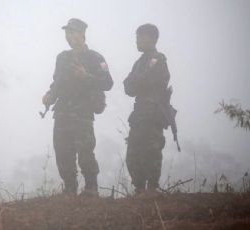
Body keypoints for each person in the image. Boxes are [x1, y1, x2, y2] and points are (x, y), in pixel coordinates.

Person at [42, 18, 113, 196]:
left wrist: (86, 76)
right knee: (62, 152)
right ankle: (70, 189)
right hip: (62, 112)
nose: (68, 36)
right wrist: (50, 95)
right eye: (67, 33)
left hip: (83, 112)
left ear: (82, 34)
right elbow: (56, 82)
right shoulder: (62, 57)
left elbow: (108, 83)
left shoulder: (95, 58)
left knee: (85, 151)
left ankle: (91, 189)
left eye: (72, 32)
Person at [123, 24, 170, 194]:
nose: (137, 41)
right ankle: (139, 189)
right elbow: (128, 87)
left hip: (153, 112)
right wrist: (139, 81)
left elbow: (147, 81)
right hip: (140, 113)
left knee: (151, 150)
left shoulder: (158, 59)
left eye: (140, 37)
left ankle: (151, 189)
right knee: (133, 153)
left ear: (151, 38)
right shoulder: (140, 62)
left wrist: (139, 82)